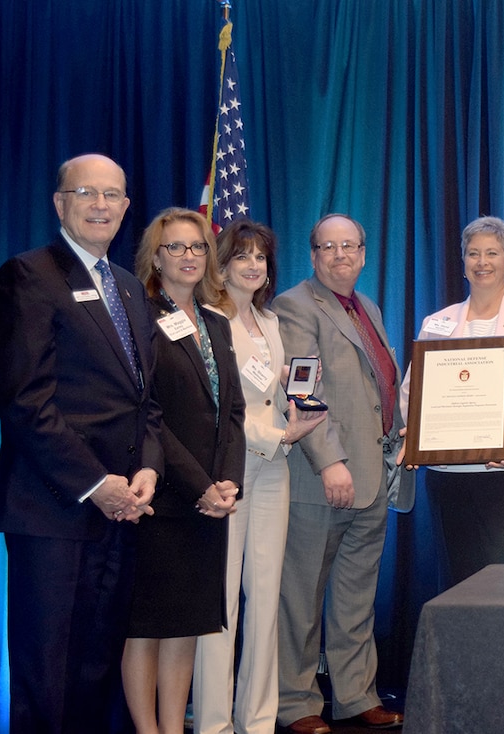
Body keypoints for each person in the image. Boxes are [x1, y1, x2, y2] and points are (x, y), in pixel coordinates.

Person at [0, 153, 162, 732]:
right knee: (46, 677)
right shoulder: (27, 276)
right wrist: (96, 484)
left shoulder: (131, 289)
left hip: (123, 512)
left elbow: (146, 404)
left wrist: (148, 474)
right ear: (60, 203)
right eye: (87, 193)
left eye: (112, 195)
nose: (101, 205)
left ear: (127, 208)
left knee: (94, 673)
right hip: (53, 511)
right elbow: (25, 402)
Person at [274, 213, 413, 734]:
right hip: (321, 481)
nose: (340, 256)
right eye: (328, 247)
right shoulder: (294, 305)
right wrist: (330, 461)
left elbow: (377, 384)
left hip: (373, 479)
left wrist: (402, 440)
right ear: (312, 255)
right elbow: (301, 390)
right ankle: (296, 703)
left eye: (349, 246)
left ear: (363, 252)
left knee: (356, 598)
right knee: (301, 598)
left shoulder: (367, 307)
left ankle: (356, 696)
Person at [194, 220, 326, 734]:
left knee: (266, 597)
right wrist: (281, 437)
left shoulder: (270, 321)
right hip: (226, 472)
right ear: (220, 265)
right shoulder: (208, 320)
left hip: (275, 470)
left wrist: (297, 419)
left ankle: (258, 721)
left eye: (261, 258)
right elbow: (215, 405)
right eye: (241, 257)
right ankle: (212, 723)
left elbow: (274, 393)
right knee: (221, 601)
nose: (253, 266)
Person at [123, 208, 246, 734]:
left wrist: (227, 483)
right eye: (177, 247)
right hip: (163, 498)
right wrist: (200, 485)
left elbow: (233, 412)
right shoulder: (139, 320)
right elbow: (148, 414)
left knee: (187, 629)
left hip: (209, 502)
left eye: (198, 247)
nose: (190, 256)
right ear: (157, 257)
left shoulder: (217, 322)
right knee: (146, 627)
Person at [402, 216, 504, 585]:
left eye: (492, 253)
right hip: (452, 478)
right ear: (463, 263)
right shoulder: (437, 322)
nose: (482, 262)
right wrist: (419, 432)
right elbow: (414, 390)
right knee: (460, 581)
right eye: (473, 253)